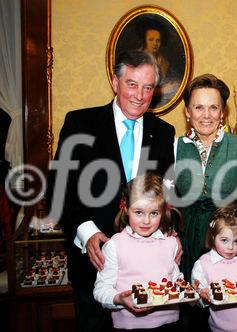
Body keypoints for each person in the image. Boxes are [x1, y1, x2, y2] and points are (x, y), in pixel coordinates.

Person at [46, 50, 176, 332]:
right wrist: (87, 232)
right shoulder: (80, 123)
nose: (139, 95)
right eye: (132, 84)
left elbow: (168, 195)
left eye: (148, 87)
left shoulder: (164, 132)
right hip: (94, 262)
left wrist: (171, 230)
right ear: (115, 83)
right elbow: (59, 188)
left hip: (147, 269)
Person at [175, 74, 237, 278]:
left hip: (230, 241)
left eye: (213, 107)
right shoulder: (175, 147)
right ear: (187, 112)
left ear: (222, 112)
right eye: (198, 107)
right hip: (188, 241)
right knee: (192, 302)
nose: (206, 115)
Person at [94, 173, 182, 331]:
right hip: (129, 326)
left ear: (163, 212)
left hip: (170, 323)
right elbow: (101, 289)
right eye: (139, 212)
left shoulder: (170, 242)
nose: (146, 221)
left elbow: (174, 278)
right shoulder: (115, 245)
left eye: (154, 213)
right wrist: (119, 298)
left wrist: (187, 289)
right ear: (126, 208)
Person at [191, 205, 237, 332]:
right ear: (212, 237)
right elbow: (197, 300)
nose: (231, 247)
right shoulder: (203, 264)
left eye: (236, 241)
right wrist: (201, 295)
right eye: (224, 240)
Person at [138, 24, 181, 108]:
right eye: (151, 40)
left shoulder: (163, 60)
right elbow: (140, 90)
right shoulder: (138, 61)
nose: (155, 43)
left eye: (158, 40)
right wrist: (164, 90)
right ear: (144, 41)